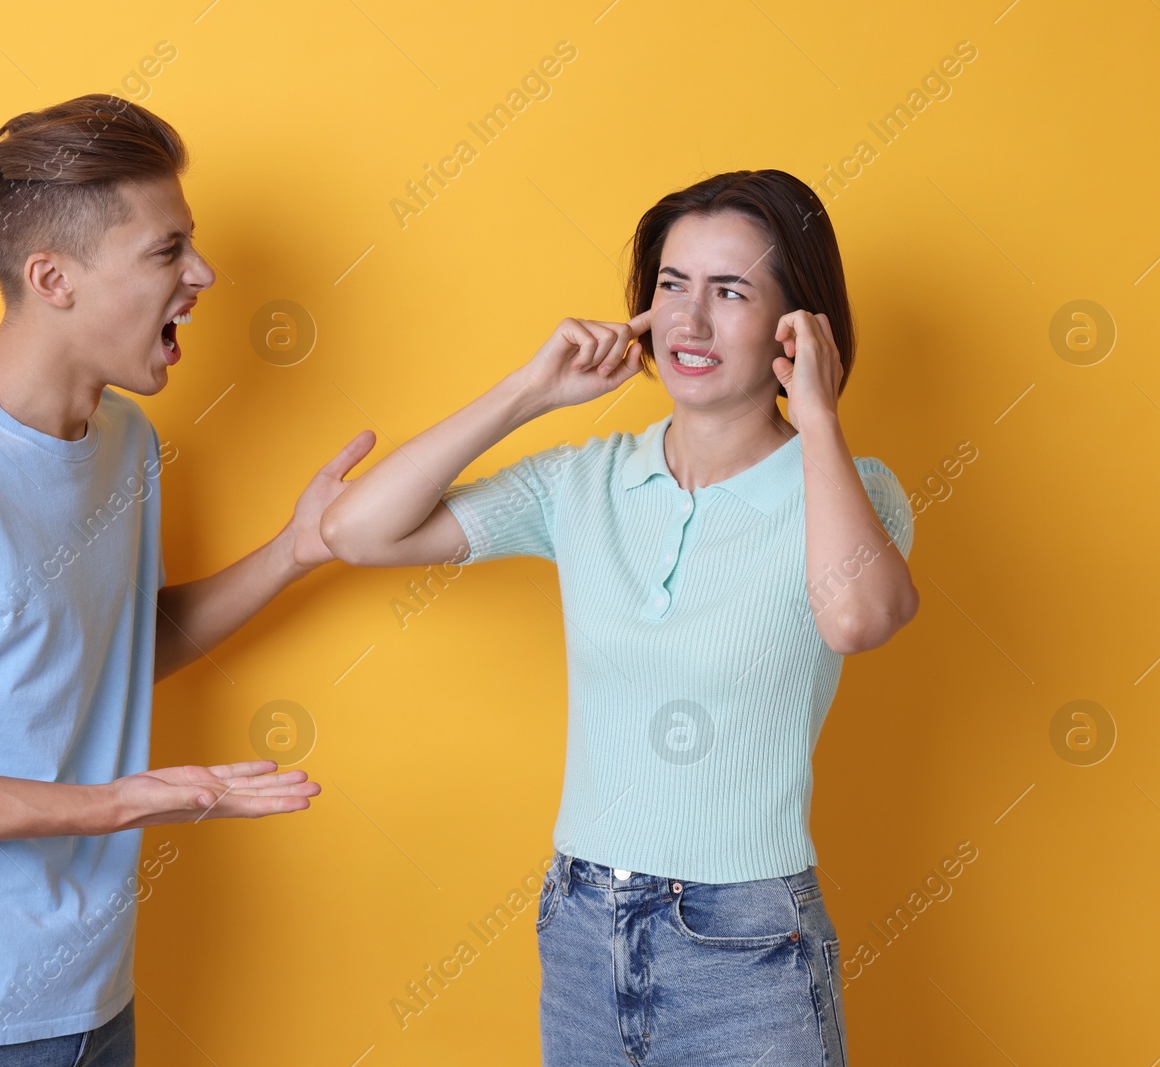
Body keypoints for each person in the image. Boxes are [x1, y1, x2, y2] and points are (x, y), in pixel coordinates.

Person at [0, 94, 369, 1064]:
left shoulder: (125, 444)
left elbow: (103, 651)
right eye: (165, 252)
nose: (204, 275)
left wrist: (293, 551)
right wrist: (119, 801)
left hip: (88, 993)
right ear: (52, 277)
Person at [320, 169, 918, 1065]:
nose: (691, 320)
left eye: (732, 290)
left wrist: (821, 417)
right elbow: (355, 531)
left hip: (746, 940)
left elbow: (859, 619)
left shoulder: (851, 491)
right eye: (672, 286)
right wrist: (530, 389)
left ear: (798, 326)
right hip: (580, 920)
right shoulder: (583, 481)